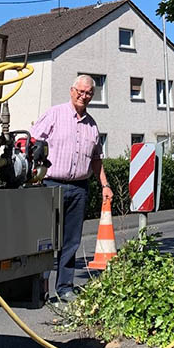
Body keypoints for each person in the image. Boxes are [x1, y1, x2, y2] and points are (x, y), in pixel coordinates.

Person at [30, 75, 114, 303]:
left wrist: (105, 185)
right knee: (45, 240)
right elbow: (33, 142)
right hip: (50, 185)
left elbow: (96, 159)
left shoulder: (92, 125)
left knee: (71, 241)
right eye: (80, 91)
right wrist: (33, 172)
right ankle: (40, 288)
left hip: (79, 188)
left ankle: (65, 286)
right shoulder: (54, 114)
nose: (83, 96)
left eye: (88, 93)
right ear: (72, 90)